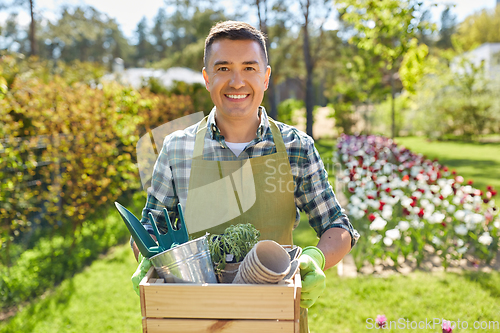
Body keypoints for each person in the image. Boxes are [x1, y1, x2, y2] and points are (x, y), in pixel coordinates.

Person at [130, 20, 359, 332]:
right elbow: (149, 229)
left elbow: (336, 225)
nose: (237, 81)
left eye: (249, 68)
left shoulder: (297, 148)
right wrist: (148, 256)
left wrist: (315, 259)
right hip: (191, 318)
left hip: (274, 318)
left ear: (265, 78)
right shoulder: (176, 148)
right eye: (223, 68)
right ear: (207, 78)